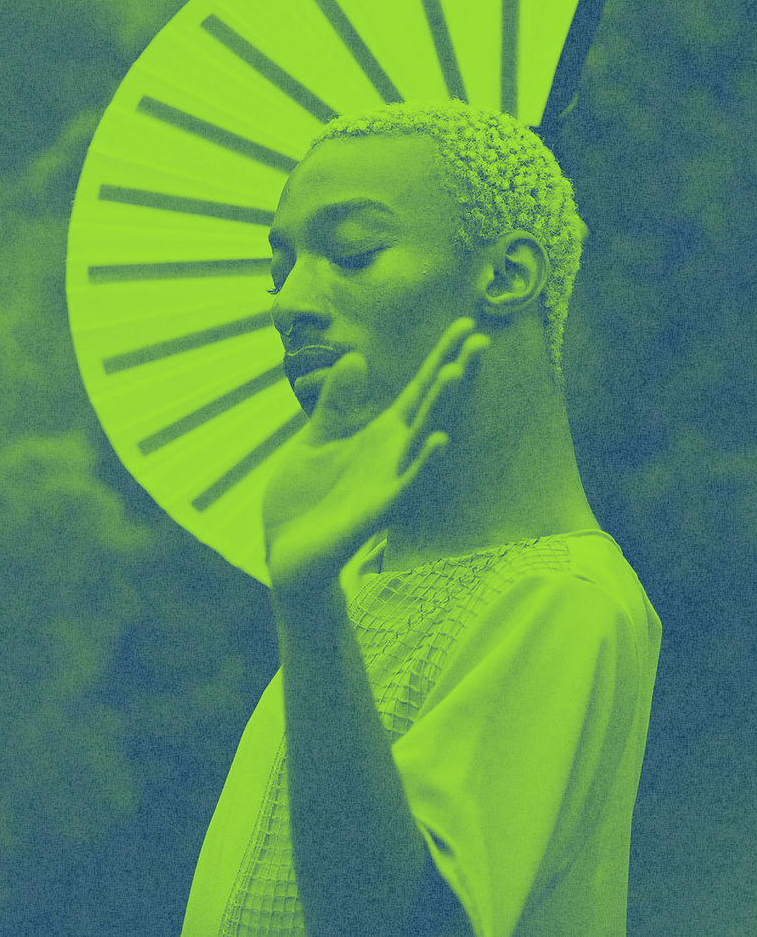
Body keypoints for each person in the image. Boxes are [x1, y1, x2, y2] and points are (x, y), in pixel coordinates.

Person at [180, 100, 662, 937]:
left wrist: (307, 603)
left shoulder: (564, 600)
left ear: (507, 275)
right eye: (278, 270)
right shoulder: (355, 590)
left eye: (352, 253)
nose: (290, 303)